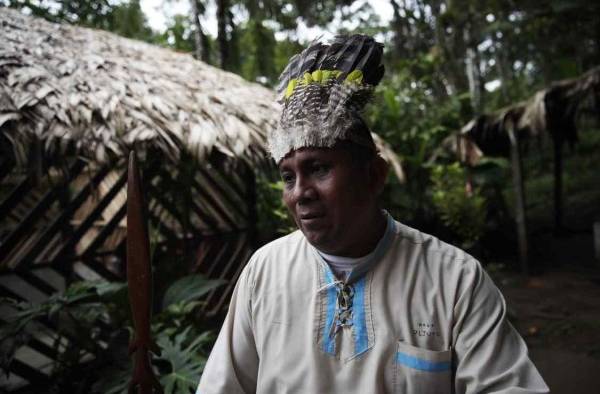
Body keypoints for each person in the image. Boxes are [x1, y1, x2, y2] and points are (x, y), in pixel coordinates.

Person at [197, 35, 549, 394]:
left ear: (374, 175)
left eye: (318, 168)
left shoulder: (454, 280)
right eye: (289, 176)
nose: (300, 192)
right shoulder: (264, 272)